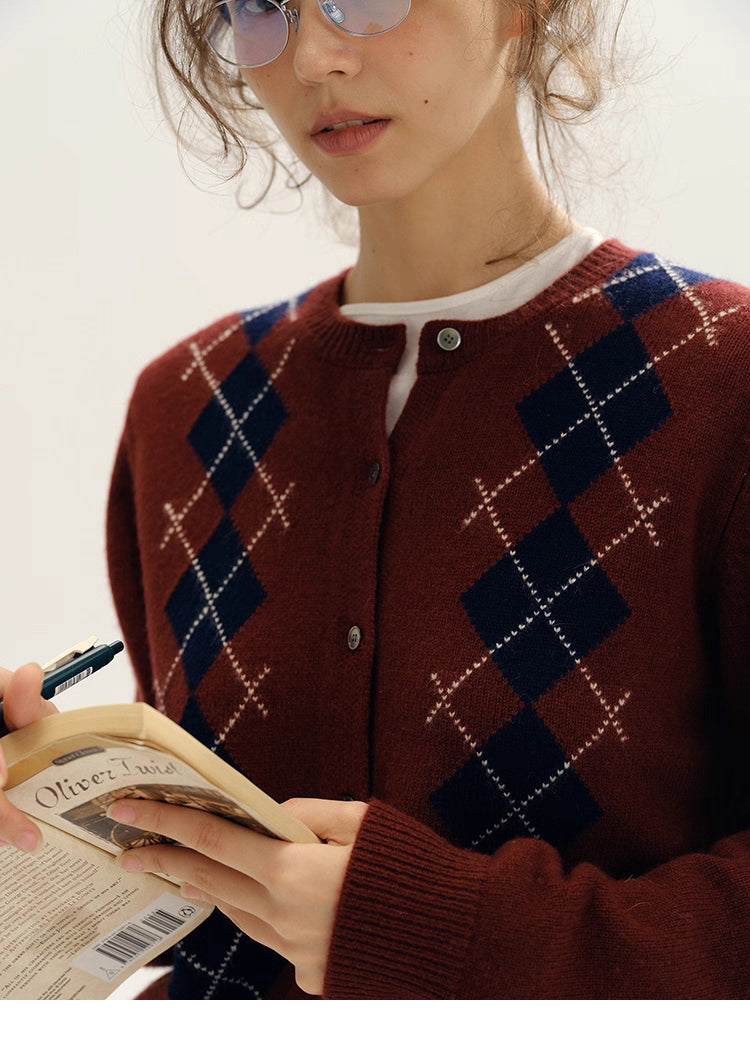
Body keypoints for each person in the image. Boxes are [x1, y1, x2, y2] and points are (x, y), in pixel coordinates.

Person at [1, 0, 749, 999]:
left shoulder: (723, 386)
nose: (312, 56)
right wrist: (47, 811)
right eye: (259, 7)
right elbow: (188, 910)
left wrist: (444, 935)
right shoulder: (185, 406)